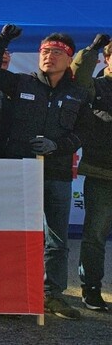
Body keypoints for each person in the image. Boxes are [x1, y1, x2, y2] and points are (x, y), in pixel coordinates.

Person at [0, 25, 91, 320]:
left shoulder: (79, 94)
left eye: (57, 52)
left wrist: (58, 145)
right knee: (15, 234)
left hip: (56, 174)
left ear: (69, 59)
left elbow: (83, 132)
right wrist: (2, 39)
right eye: (45, 51)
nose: (49, 57)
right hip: (20, 172)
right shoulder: (21, 83)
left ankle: (52, 295)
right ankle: (12, 292)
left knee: (56, 240)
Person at [70, 34, 112, 311]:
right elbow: (76, 78)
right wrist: (91, 49)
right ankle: (91, 288)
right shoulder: (95, 87)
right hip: (101, 173)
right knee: (95, 235)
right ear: (107, 59)